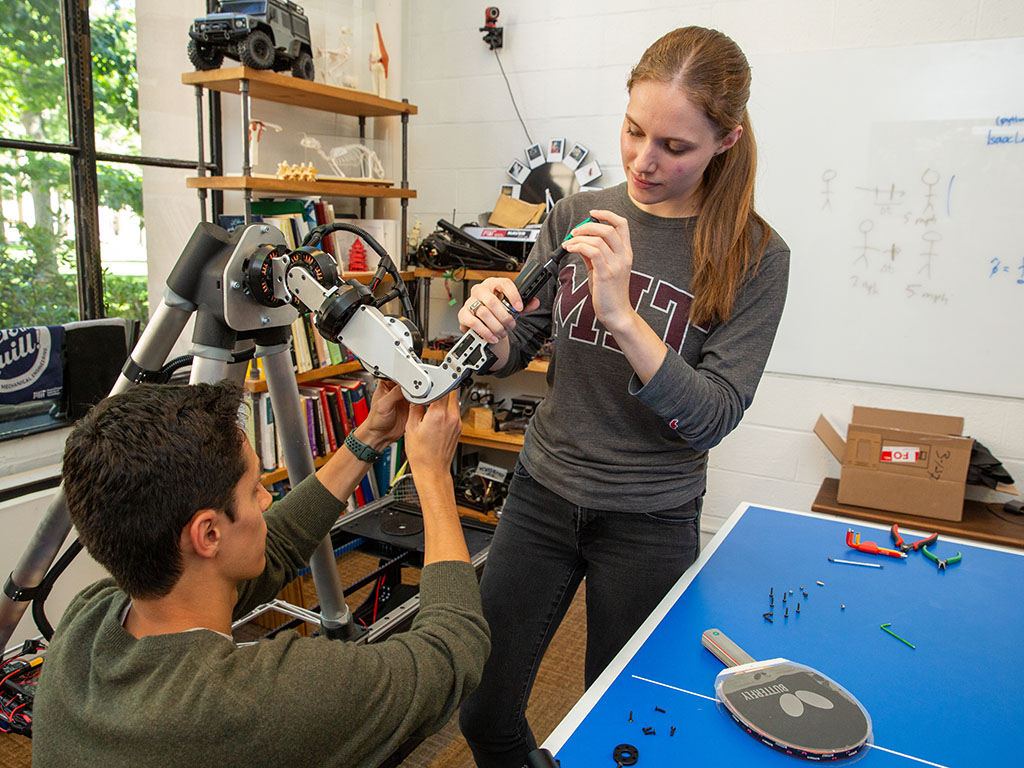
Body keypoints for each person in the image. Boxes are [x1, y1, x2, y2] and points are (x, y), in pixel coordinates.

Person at [457, 26, 790, 767]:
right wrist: (489, 322)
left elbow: (709, 417)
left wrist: (621, 313)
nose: (644, 160)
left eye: (676, 146)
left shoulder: (757, 256)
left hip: (650, 518)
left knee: (622, 738)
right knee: (482, 711)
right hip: (542, 496)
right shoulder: (579, 216)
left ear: (726, 141)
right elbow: (518, 341)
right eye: (635, 132)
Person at [32, 380, 489, 768]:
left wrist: (369, 436)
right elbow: (452, 654)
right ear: (207, 534)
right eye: (255, 491)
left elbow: (279, 543)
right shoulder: (260, 700)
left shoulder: (86, 619)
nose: (268, 502)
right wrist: (433, 477)